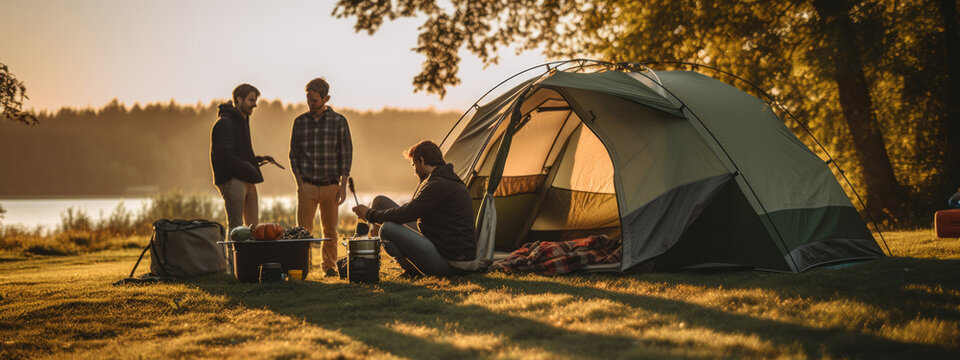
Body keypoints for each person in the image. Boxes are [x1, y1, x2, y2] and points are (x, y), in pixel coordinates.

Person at [351, 140, 477, 277]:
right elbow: (410, 211)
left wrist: (369, 214)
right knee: (380, 201)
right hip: (440, 245)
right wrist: (373, 214)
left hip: (451, 264)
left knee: (387, 229)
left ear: (421, 161)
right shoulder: (444, 179)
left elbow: (406, 213)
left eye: (414, 165)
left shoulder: (439, 185)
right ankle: (370, 256)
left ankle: (411, 271)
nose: (414, 171)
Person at [289, 78, 353, 277]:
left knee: (330, 231)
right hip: (307, 185)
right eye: (308, 99)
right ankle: (302, 269)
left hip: (331, 186)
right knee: (303, 232)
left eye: (314, 100)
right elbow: (293, 154)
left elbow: (346, 154)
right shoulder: (299, 122)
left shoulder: (339, 121)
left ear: (326, 98)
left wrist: (342, 187)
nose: (310, 103)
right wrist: (300, 183)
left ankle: (329, 268)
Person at [211, 83, 275, 231]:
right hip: (232, 180)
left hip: (247, 178)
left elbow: (240, 153)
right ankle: (233, 255)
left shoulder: (243, 121)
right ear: (238, 100)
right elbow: (224, 155)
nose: (255, 105)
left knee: (254, 228)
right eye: (251, 100)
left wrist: (258, 159)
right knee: (236, 227)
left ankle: (251, 255)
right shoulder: (225, 123)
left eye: (255, 101)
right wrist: (247, 167)